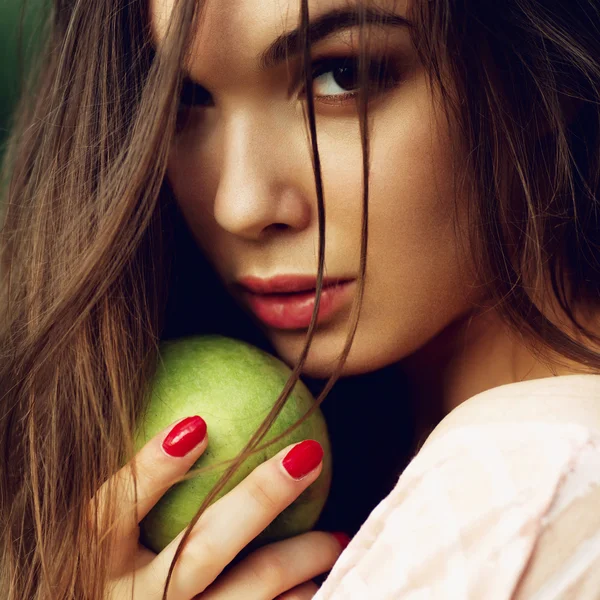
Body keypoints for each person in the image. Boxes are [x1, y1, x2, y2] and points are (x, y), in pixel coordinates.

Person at [1, 0, 600, 597]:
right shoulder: (414, 463)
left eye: (344, 74)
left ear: (539, 76)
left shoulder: (532, 484)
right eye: (184, 95)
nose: (239, 205)